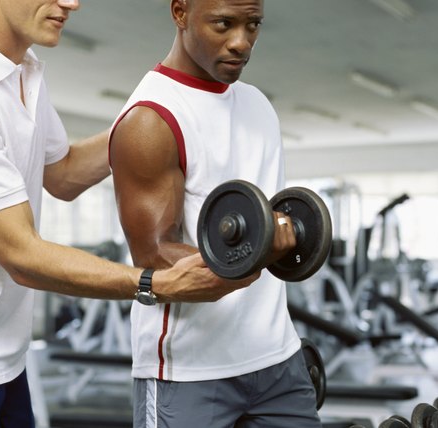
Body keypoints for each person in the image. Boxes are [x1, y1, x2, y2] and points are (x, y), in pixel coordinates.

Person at [0, 1, 258, 427]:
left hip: (3, 357)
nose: (72, 2)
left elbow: (63, 174)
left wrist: (156, 109)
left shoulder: (22, 68)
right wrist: (153, 283)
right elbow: (22, 256)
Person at [108, 0, 323, 426]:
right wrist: (257, 250)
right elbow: (153, 256)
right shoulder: (151, 119)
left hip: (277, 355)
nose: (242, 42)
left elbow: (273, 217)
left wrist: (285, 238)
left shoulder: (258, 105)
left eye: (253, 25)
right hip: (189, 371)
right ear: (180, 12)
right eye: (223, 24)